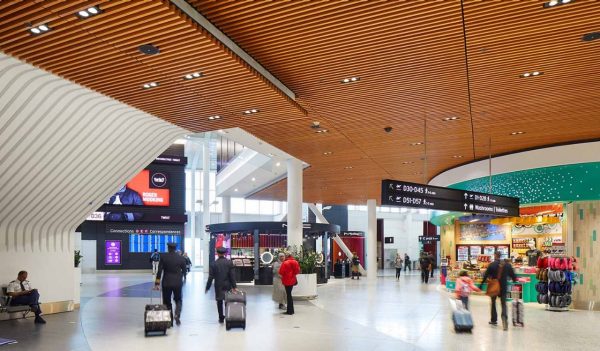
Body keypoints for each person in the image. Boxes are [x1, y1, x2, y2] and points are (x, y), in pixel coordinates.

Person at [481, 252, 518, 331]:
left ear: (495, 256)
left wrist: (481, 285)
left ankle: (494, 320)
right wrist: (514, 280)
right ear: (500, 256)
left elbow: (485, 275)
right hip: (503, 287)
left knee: (493, 302)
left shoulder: (491, 265)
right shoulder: (507, 265)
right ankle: (505, 321)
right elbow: (514, 276)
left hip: (494, 287)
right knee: (503, 304)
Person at [154, 242, 187, 326]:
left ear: (168, 248)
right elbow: (184, 271)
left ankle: (170, 320)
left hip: (166, 282)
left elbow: (159, 271)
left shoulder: (164, 257)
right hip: (177, 283)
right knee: (178, 299)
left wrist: (157, 283)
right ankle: (177, 315)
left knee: (167, 302)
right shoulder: (181, 258)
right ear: (175, 248)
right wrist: (181, 278)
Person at [205, 246, 237, 323]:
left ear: (217, 253)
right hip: (228, 285)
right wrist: (234, 286)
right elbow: (232, 276)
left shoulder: (213, 264)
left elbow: (210, 277)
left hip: (218, 285)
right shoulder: (229, 263)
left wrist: (207, 287)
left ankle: (221, 318)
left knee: (219, 301)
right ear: (225, 253)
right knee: (227, 300)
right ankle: (227, 315)